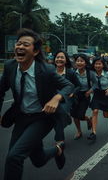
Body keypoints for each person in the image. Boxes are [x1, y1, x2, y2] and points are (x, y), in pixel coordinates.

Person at [0, 28, 74, 180]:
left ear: (35, 51)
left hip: (42, 117)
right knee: (38, 160)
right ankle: (57, 150)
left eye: (25, 45)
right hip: (21, 117)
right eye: (18, 43)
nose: (20, 47)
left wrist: (56, 98)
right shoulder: (10, 66)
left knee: (14, 157)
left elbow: (68, 86)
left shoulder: (46, 70)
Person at [53, 50, 81, 146]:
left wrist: (73, 93)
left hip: (67, 99)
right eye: (57, 57)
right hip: (53, 99)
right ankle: (67, 118)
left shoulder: (71, 73)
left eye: (62, 57)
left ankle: (59, 140)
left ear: (66, 60)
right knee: (55, 118)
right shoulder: (50, 71)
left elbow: (78, 86)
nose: (59, 59)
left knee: (59, 117)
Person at [87, 57, 108, 141]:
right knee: (95, 111)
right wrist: (90, 90)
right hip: (97, 94)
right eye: (96, 64)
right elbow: (93, 83)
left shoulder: (107, 73)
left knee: (106, 115)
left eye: (99, 64)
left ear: (103, 65)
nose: (97, 65)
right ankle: (93, 133)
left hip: (106, 94)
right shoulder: (92, 73)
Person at [70, 54, 93, 140]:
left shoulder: (90, 73)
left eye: (81, 61)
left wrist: (90, 91)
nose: (79, 62)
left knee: (80, 114)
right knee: (74, 115)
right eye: (78, 61)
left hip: (85, 96)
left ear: (86, 63)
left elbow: (95, 84)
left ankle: (87, 119)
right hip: (75, 95)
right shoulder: (72, 72)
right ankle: (79, 131)